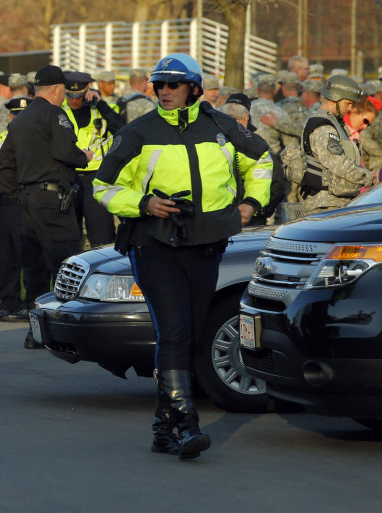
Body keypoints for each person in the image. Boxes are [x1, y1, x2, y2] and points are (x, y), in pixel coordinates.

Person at [92, 53, 272, 459]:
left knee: (188, 333)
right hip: (154, 246)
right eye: (159, 85)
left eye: (173, 84)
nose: (165, 91)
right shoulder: (138, 131)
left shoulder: (223, 126)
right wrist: (143, 203)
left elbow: (262, 159)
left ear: (194, 87)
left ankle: (162, 429)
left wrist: (251, 204)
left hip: (207, 244)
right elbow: (102, 187)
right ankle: (187, 424)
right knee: (174, 331)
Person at [0, 65, 93, 349]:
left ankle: (35, 333)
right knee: (66, 267)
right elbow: (65, 152)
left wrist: (20, 194)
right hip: (54, 203)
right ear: (55, 89)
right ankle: (65, 334)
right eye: (63, 91)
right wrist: (83, 156)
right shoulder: (55, 115)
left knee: (35, 270)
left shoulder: (20, 120)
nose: (64, 96)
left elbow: (4, 168)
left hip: (28, 203)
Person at [0, 96, 34, 322]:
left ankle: (32, 305)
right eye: (15, 114)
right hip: (2, 206)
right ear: (9, 116)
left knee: (30, 258)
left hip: (25, 203)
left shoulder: (37, 139)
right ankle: (9, 304)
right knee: (5, 258)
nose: (18, 119)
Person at [62, 71, 124, 247]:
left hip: (96, 178)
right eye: (70, 96)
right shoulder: (59, 111)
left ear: (88, 90)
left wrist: (100, 104)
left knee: (102, 235)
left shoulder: (104, 109)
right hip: (68, 177)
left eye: (79, 96)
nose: (74, 100)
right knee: (68, 235)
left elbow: (122, 129)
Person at [298, 76, 374, 215]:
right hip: (325, 205)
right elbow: (338, 163)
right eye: (348, 103)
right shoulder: (323, 126)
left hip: (334, 203)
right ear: (335, 98)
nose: (350, 108)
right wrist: (367, 177)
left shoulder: (333, 122)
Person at [222, 93, 285, 225]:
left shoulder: (208, 140)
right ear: (246, 117)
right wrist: (259, 210)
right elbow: (276, 183)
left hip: (217, 218)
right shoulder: (258, 146)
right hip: (251, 218)